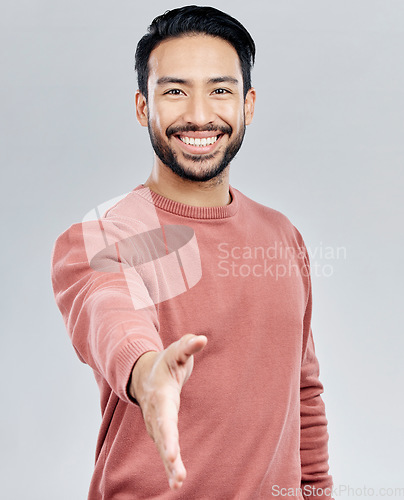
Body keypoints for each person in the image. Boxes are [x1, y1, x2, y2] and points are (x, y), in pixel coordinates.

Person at [51, 6, 334, 499]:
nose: (200, 115)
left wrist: (318, 494)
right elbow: (109, 311)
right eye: (175, 91)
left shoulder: (283, 235)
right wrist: (146, 371)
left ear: (248, 105)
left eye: (220, 90)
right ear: (143, 106)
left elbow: (304, 395)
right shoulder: (107, 233)